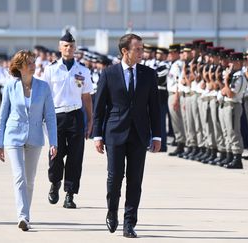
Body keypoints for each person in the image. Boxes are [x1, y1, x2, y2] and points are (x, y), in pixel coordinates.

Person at [93, 33, 161, 238]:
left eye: (142, 48)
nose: (142, 52)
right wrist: (97, 135)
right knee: (114, 178)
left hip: (139, 134)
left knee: (135, 180)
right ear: (125, 51)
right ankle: (112, 211)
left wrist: (156, 135)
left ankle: (129, 223)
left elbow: (154, 108)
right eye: (138, 49)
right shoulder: (109, 73)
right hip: (114, 133)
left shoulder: (149, 74)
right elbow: (100, 108)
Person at [0, 50, 57, 231]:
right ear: (20, 67)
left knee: (30, 180)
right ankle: (23, 216)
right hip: (13, 136)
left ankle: (26, 214)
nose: (33, 65)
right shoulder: (9, 86)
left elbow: (51, 116)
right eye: (29, 63)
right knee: (19, 177)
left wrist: (54, 141)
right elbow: (3, 116)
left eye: (33, 62)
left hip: (36, 137)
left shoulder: (43, 87)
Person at [41, 31, 93, 209]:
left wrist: (90, 120)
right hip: (56, 116)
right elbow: (44, 96)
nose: (69, 48)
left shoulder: (83, 70)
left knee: (75, 157)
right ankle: (55, 183)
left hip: (76, 116)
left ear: (75, 48)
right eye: (65, 45)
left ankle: (70, 194)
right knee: (56, 155)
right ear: (60, 47)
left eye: (71, 46)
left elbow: (86, 97)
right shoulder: (50, 69)